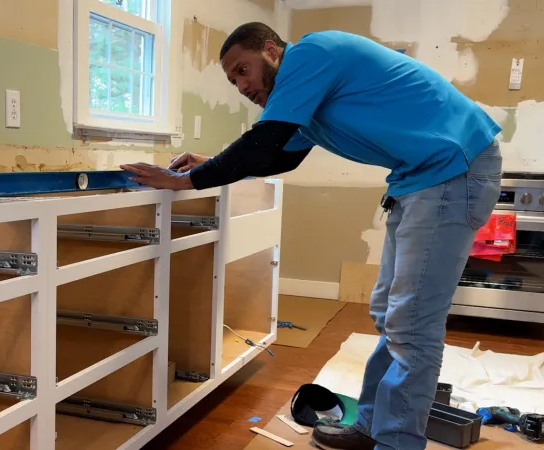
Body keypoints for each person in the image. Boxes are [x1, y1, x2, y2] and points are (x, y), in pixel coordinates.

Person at [120, 23, 502, 450]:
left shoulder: (311, 55)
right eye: (233, 80)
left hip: (454, 168)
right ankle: (375, 427)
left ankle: (396, 443)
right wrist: (204, 166)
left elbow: (264, 143)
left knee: (412, 323)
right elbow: (281, 157)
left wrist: (186, 181)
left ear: (271, 50)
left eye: (243, 70)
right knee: (389, 313)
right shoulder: (308, 93)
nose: (242, 86)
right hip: (420, 178)